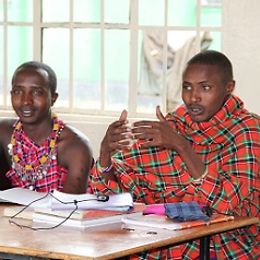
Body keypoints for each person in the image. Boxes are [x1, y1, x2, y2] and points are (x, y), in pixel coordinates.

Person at [90, 50, 260, 259]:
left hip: (225, 243)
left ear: (229, 88)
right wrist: (106, 153)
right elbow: (118, 194)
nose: (193, 97)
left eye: (205, 88)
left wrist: (181, 146)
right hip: (167, 237)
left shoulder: (247, 129)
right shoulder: (175, 124)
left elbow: (231, 204)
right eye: (187, 87)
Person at [0, 61, 93, 194]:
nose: (26, 101)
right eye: (18, 91)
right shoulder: (5, 132)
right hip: (9, 214)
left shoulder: (75, 146)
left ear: (53, 98)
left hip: (61, 214)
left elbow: (70, 209)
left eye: (37, 92)